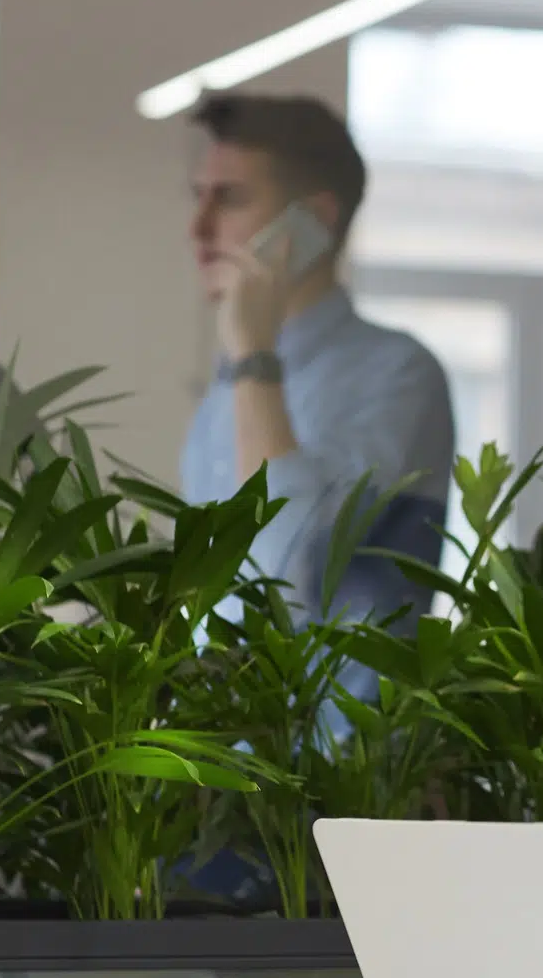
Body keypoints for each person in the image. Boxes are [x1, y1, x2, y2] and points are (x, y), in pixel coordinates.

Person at [179, 93, 454, 646]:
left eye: (229, 200)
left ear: (314, 222)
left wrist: (255, 353)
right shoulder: (231, 385)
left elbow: (276, 578)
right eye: (197, 198)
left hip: (337, 731)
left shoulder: (399, 372)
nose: (199, 228)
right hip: (217, 727)